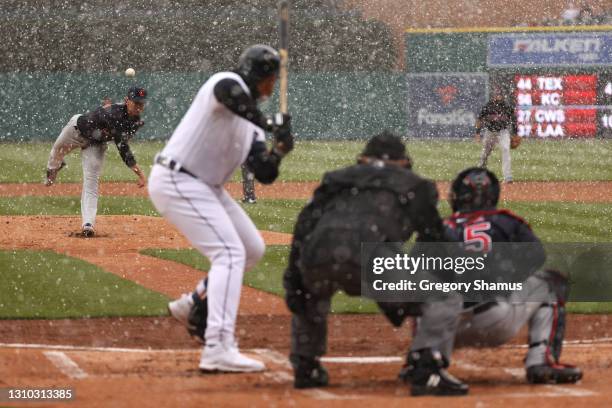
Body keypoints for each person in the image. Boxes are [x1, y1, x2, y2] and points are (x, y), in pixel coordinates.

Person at [282, 131, 467, 395]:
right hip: (373, 257)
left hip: (318, 253)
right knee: (445, 297)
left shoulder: (335, 179)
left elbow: (304, 226)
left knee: (310, 294)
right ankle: (426, 367)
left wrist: (294, 281)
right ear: (403, 162)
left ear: (362, 159)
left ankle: (306, 363)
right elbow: (434, 240)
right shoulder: (417, 185)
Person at [148, 44, 294, 373]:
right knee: (229, 253)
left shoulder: (252, 123)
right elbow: (230, 95)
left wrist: (280, 150)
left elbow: (265, 174)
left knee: (251, 249)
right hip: (177, 179)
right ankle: (218, 346)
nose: (273, 85)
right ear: (259, 75)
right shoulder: (227, 83)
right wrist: (274, 124)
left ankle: (193, 303)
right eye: (271, 77)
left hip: (205, 188)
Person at [407, 167, 582, 386]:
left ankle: (422, 358)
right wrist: (501, 277)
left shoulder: (439, 228)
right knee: (552, 282)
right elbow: (536, 257)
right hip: (495, 321)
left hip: (443, 328)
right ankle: (541, 361)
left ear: (457, 196)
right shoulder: (505, 221)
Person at [45, 86, 147, 237]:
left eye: (141, 104)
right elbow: (122, 147)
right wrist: (139, 173)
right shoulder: (115, 114)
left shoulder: (134, 121)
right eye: (135, 103)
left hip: (95, 144)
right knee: (55, 152)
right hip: (76, 130)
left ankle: (88, 224)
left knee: (91, 181)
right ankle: (54, 168)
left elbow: (123, 139)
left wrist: (129, 131)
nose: (138, 107)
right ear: (127, 101)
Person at [476, 92, 516, 184]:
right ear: (493, 96)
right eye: (497, 95)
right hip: (490, 132)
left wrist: (515, 133)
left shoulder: (506, 107)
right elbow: (479, 119)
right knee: (485, 153)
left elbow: (513, 120)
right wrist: (477, 133)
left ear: (502, 96)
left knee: (506, 150)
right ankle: (479, 172)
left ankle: (508, 177)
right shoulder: (488, 106)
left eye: (500, 95)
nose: (498, 97)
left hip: (503, 132)